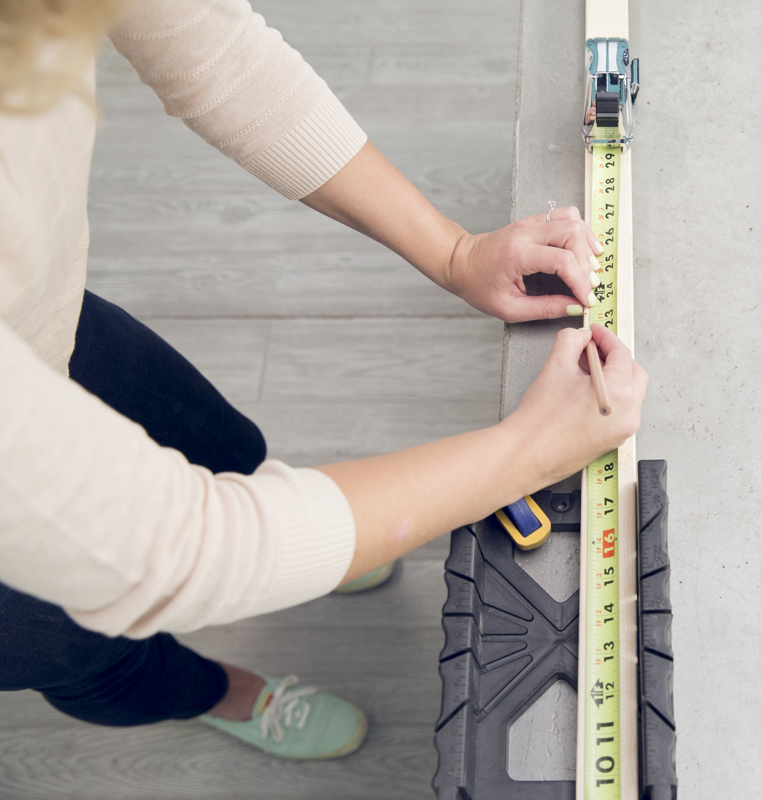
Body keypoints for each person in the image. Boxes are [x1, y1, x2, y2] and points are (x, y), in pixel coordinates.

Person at [0, 0, 647, 760]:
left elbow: (209, 48)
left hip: (40, 322)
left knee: (218, 443)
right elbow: (184, 551)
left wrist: (453, 252)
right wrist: (527, 452)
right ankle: (219, 692)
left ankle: (319, 537)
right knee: (82, 645)